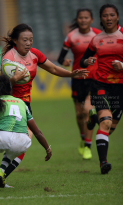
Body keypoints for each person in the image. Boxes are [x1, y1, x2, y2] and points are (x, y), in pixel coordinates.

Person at [0, 23, 89, 187]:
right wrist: (13, 79)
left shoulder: (35, 54)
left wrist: (72, 74)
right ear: (15, 40)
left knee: (18, 141)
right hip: (11, 103)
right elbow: (0, 85)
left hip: (25, 103)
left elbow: (54, 70)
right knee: (21, 141)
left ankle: (0, 175)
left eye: (31, 40)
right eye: (25, 40)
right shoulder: (8, 59)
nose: (29, 43)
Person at [80, 4, 123, 174]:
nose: (109, 18)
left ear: (117, 17)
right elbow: (83, 59)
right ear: (101, 18)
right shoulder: (96, 39)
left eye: (112, 15)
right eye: (105, 16)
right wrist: (87, 62)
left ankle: (93, 119)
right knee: (106, 122)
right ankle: (103, 162)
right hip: (100, 84)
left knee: (109, 128)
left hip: (120, 87)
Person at [57, 9, 101, 160]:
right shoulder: (71, 36)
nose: (83, 20)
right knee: (79, 114)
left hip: (94, 78)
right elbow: (60, 58)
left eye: (86, 17)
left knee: (89, 110)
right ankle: (83, 139)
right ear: (77, 20)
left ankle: (88, 146)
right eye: (80, 18)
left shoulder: (98, 34)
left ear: (91, 20)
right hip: (77, 78)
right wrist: (64, 61)